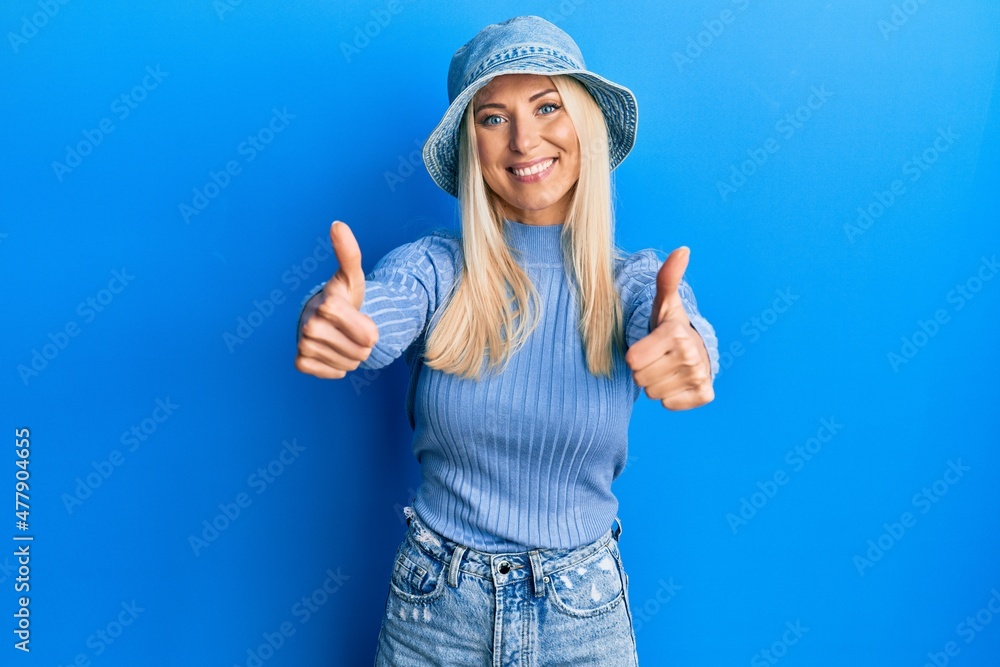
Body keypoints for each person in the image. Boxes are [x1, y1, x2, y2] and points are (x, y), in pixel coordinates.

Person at [294, 15, 719, 666]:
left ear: (583, 123)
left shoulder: (633, 281)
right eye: (492, 117)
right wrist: (341, 318)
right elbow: (378, 307)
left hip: (583, 612)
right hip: (435, 606)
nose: (524, 139)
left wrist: (685, 343)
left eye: (547, 106)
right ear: (471, 146)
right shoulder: (437, 268)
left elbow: (671, 322)